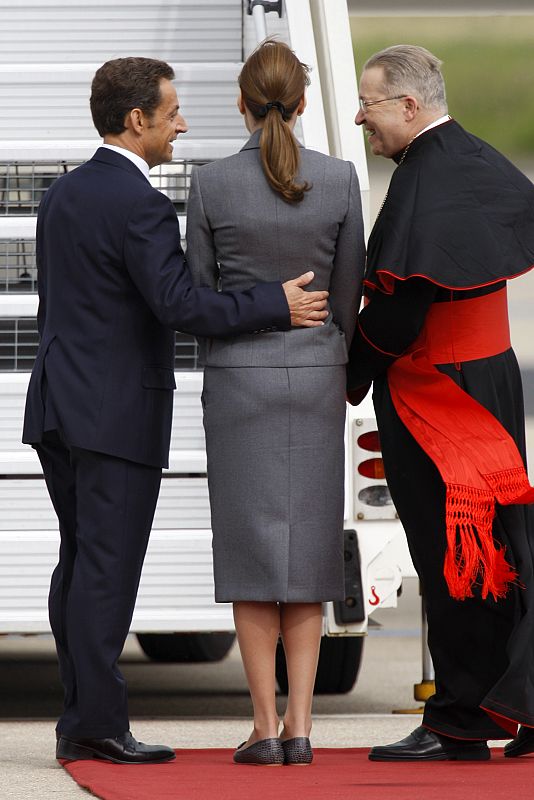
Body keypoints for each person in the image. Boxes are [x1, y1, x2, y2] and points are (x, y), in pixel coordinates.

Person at [22, 55, 330, 765]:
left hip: (59, 407)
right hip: (116, 415)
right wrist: (274, 302)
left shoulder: (62, 193)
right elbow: (182, 305)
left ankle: (82, 718)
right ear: (137, 120)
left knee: (79, 563)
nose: (182, 124)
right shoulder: (141, 204)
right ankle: (99, 725)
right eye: (171, 111)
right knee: (106, 569)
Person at [347, 44, 534, 762]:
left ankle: (459, 718)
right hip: (492, 375)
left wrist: (349, 371)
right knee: (504, 545)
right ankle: (515, 705)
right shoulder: (481, 156)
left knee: (452, 551)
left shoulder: (422, 178)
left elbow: (397, 313)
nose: (361, 117)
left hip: (439, 389)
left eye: (369, 104)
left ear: (409, 106)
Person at [186, 39, 365, 766]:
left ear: (241, 101)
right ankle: (301, 726)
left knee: (254, 555)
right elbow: (348, 297)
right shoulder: (340, 178)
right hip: (315, 379)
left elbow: (199, 298)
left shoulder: (211, 184)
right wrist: (326, 352)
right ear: (300, 102)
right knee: (308, 551)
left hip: (238, 381)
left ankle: (261, 726)